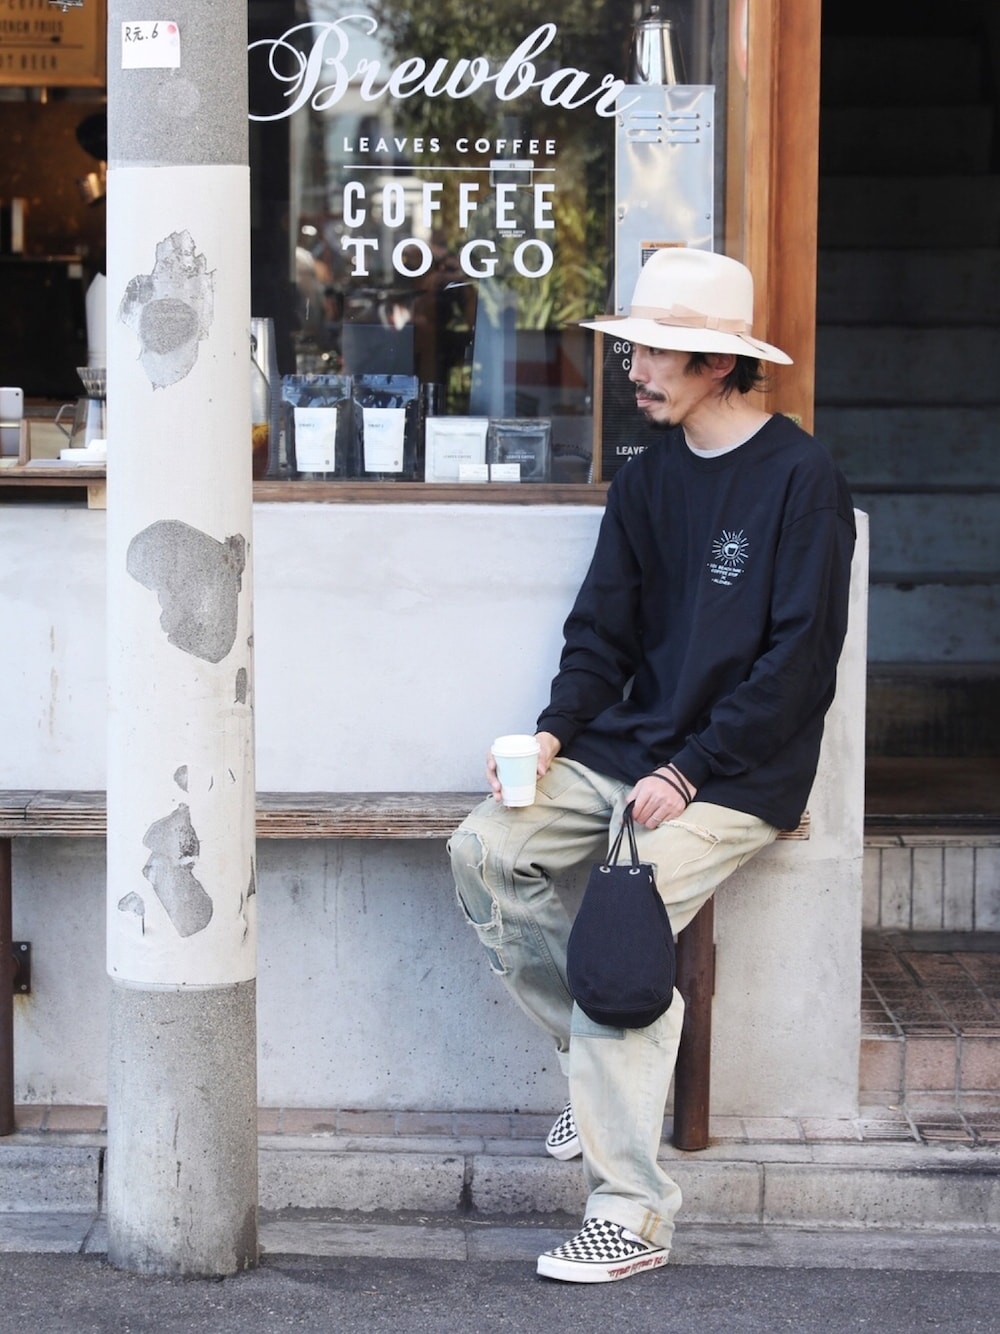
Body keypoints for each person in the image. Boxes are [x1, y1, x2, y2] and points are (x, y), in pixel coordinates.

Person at [448, 247, 856, 1285]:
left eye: (657, 352)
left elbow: (798, 665)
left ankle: (629, 1213)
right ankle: (598, 1077)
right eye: (633, 348)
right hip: (627, 749)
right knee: (485, 850)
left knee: (619, 927)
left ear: (718, 365)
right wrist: (552, 733)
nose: (633, 367)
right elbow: (602, 632)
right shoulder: (646, 478)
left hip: (738, 768)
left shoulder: (801, 479)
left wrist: (691, 769)